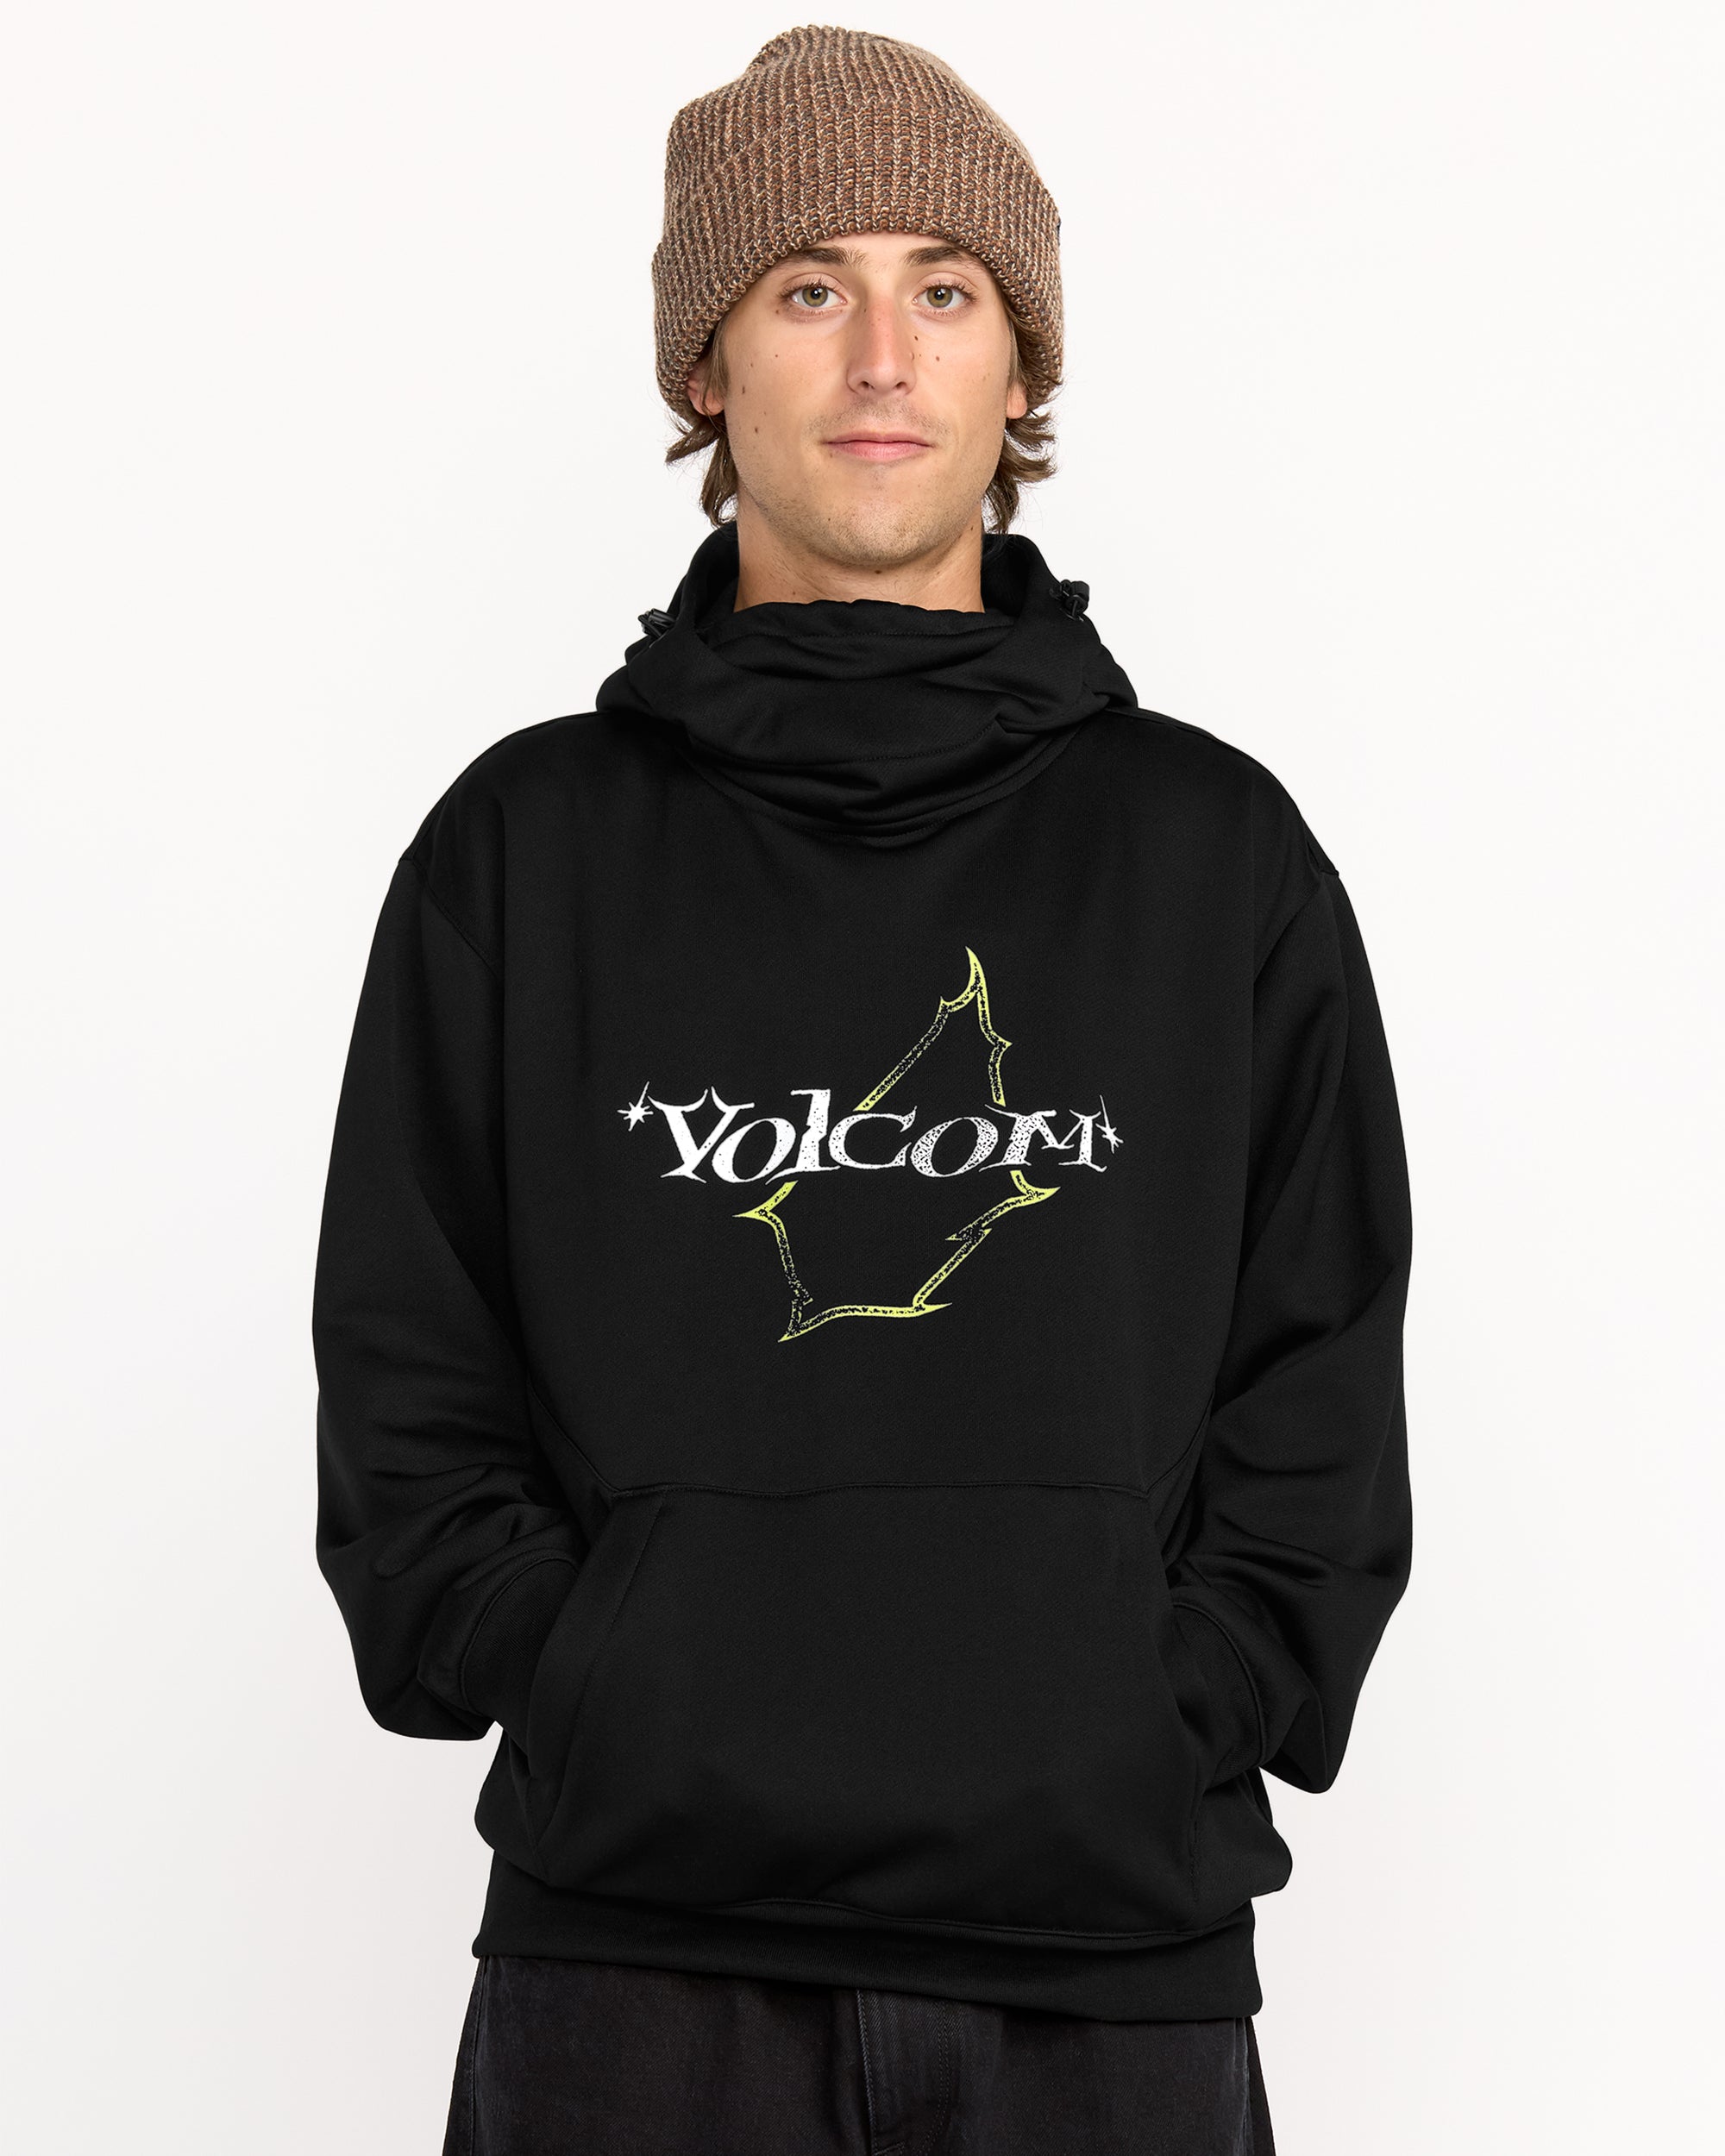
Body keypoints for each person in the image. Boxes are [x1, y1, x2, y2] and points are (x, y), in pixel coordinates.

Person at [311, 25, 1414, 2154]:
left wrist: (1169, 1699)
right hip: (631, 1991)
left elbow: (1320, 1395)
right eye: (810, 284)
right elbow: (406, 1398)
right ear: (707, 364)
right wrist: (597, 1667)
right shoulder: (521, 856)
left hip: (1110, 1992)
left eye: (947, 288)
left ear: (1020, 368)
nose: (883, 354)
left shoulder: (1215, 861)